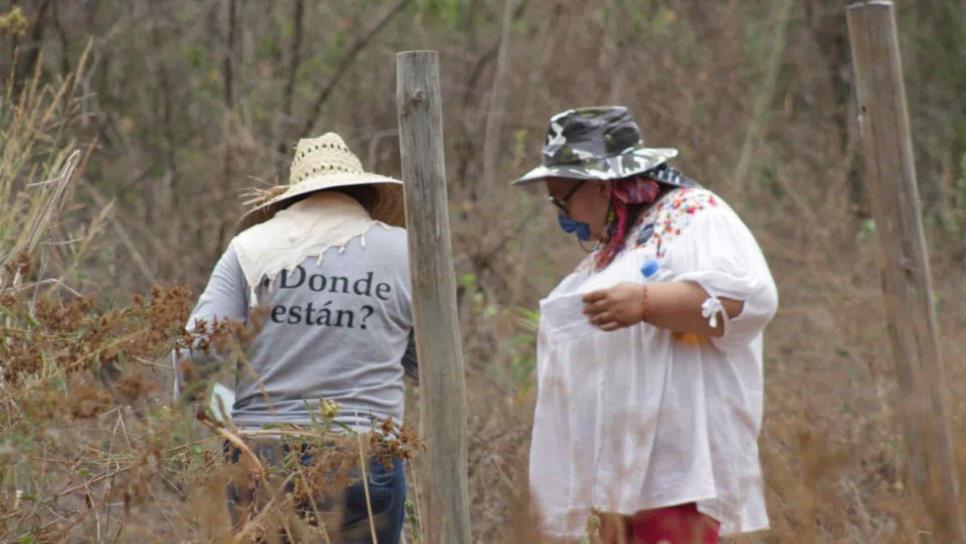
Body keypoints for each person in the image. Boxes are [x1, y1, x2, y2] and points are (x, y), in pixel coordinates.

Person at [515, 107, 779, 543]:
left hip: (678, 469)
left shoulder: (696, 215)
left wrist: (645, 301)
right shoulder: (620, 243)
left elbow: (751, 298)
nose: (561, 213)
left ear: (601, 186)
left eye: (561, 197)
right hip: (623, 479)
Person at [173, 133, 416, 544]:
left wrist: (212, 404)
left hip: (260, 458)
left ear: (290, 198)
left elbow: (194, 360)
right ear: (366, 194)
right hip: (365, 457)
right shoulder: (405, 251)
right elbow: (430, 364)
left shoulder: (249, 248)